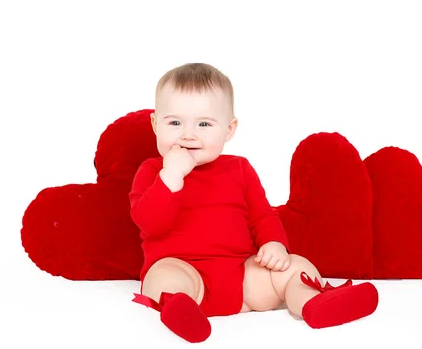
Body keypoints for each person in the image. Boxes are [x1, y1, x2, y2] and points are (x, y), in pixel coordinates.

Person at [129, 63, 378, 343]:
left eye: (204, 124)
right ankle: (180, 311)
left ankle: (312, 303)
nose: (188, 134)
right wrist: (171, 176)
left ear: (229, 129)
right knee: (161, 278)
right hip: (183, 271)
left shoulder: (239, 169)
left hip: (241, 278)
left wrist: (274, 243)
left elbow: (262, 216)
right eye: (175, 123)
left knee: (295, 266)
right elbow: (151, 225)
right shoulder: (152, 172)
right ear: (155, 125)